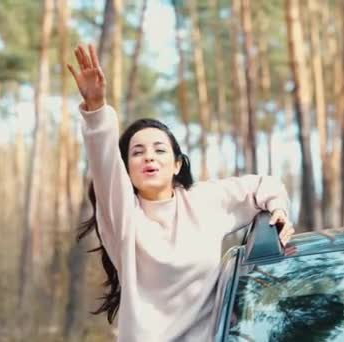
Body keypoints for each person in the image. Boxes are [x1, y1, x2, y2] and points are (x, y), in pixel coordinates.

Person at [67, 44, 295, 341]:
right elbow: (104, 162)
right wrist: (97, 109)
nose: (149, 157)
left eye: (159, 150)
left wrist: (278, 209)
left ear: (176, 165)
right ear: (126, 169)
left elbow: (265, 186)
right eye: (137, 152)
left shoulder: (203, 202)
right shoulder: (122, 219)